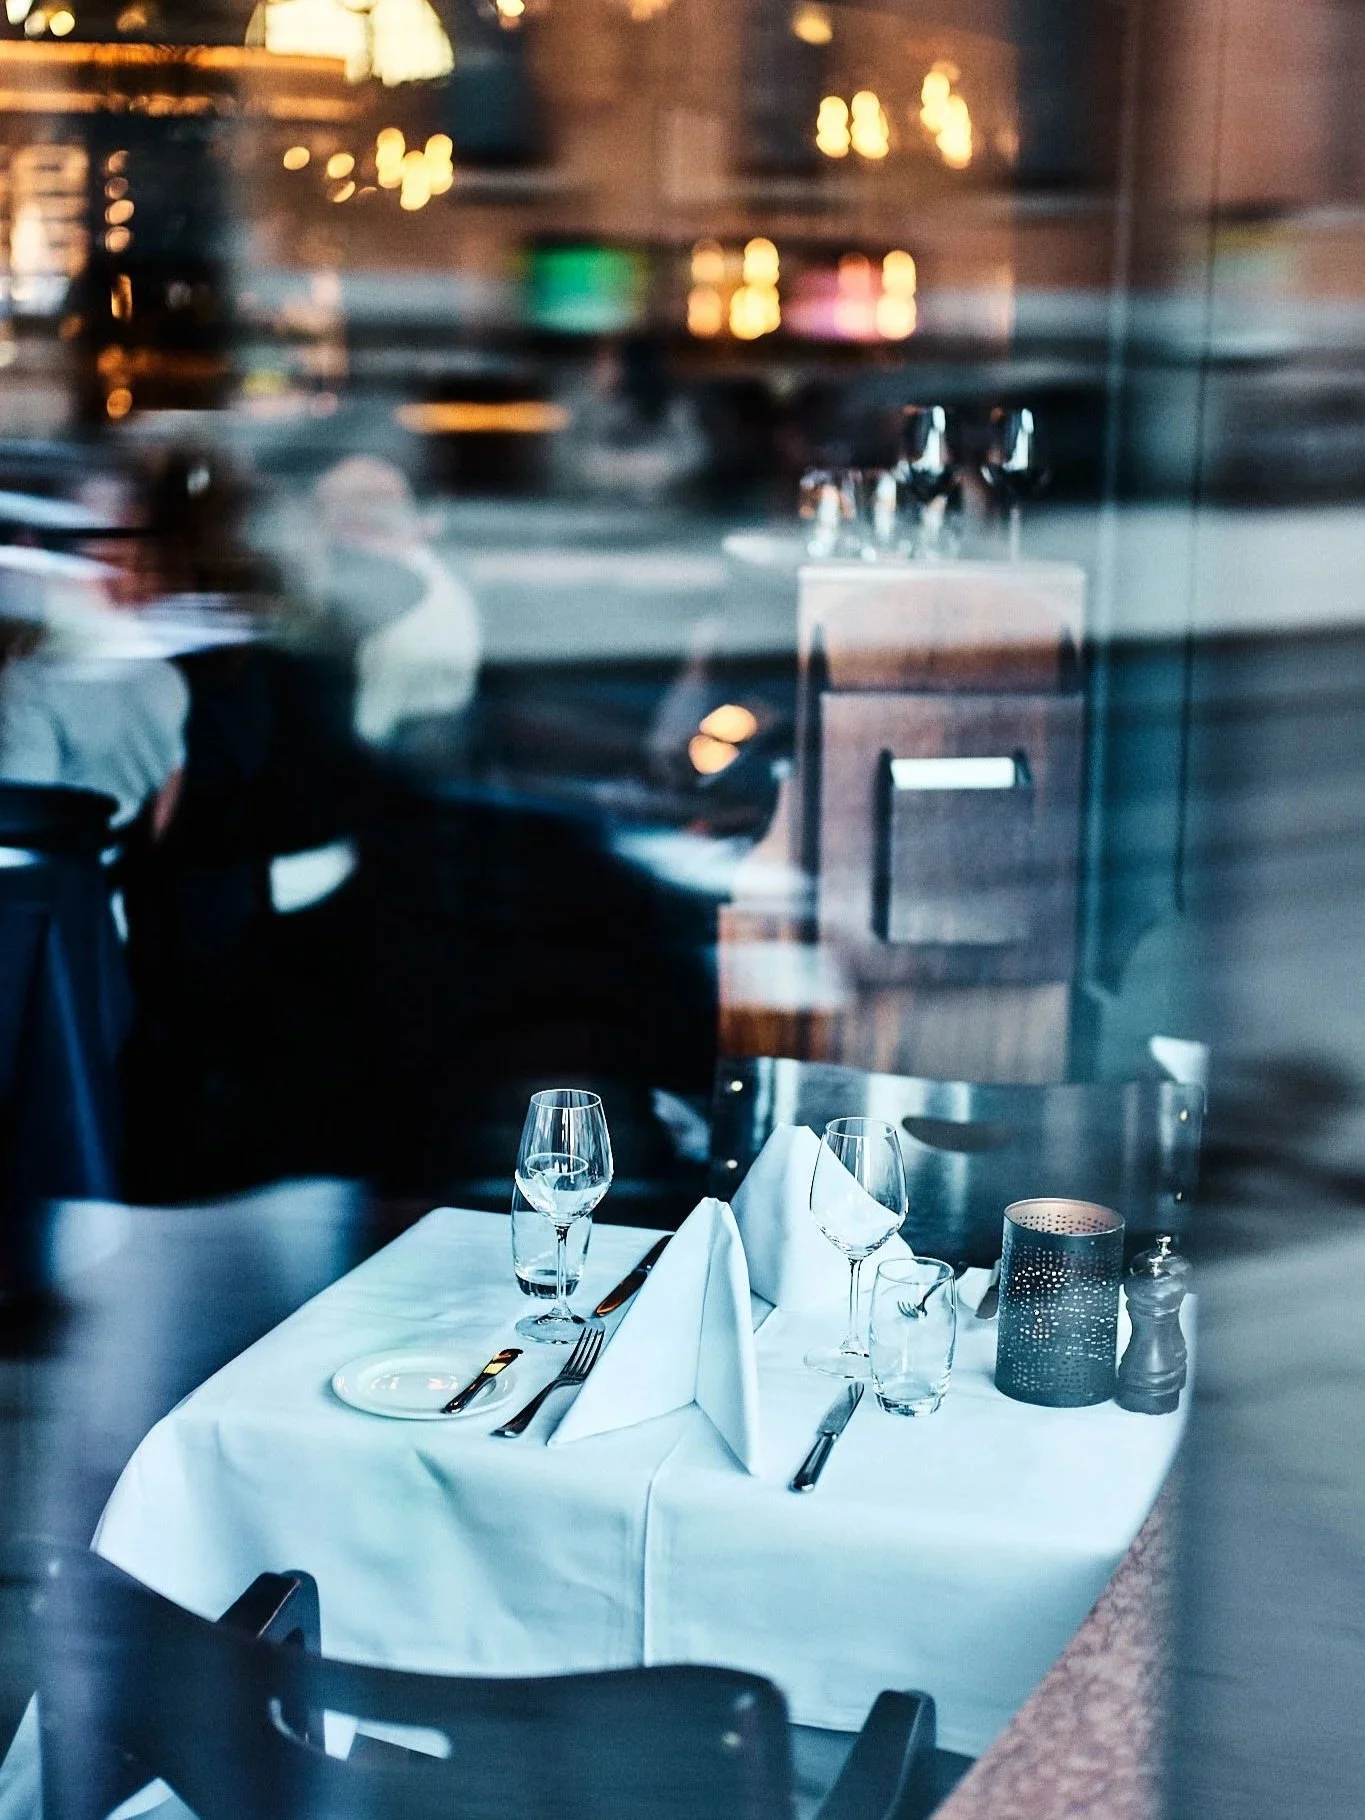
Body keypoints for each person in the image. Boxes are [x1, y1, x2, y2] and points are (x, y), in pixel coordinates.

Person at [0, 548, 188, 836]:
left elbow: (22, 806)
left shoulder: (30, 683)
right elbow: (173, 776)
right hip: (114, 858)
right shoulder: (165, 676)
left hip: (56, 863)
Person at [304, 456, 481, 757]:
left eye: (323, 525)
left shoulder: (395, 619)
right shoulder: (431, 574)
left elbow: (365, 738)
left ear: (352, 530)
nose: (318, 542)